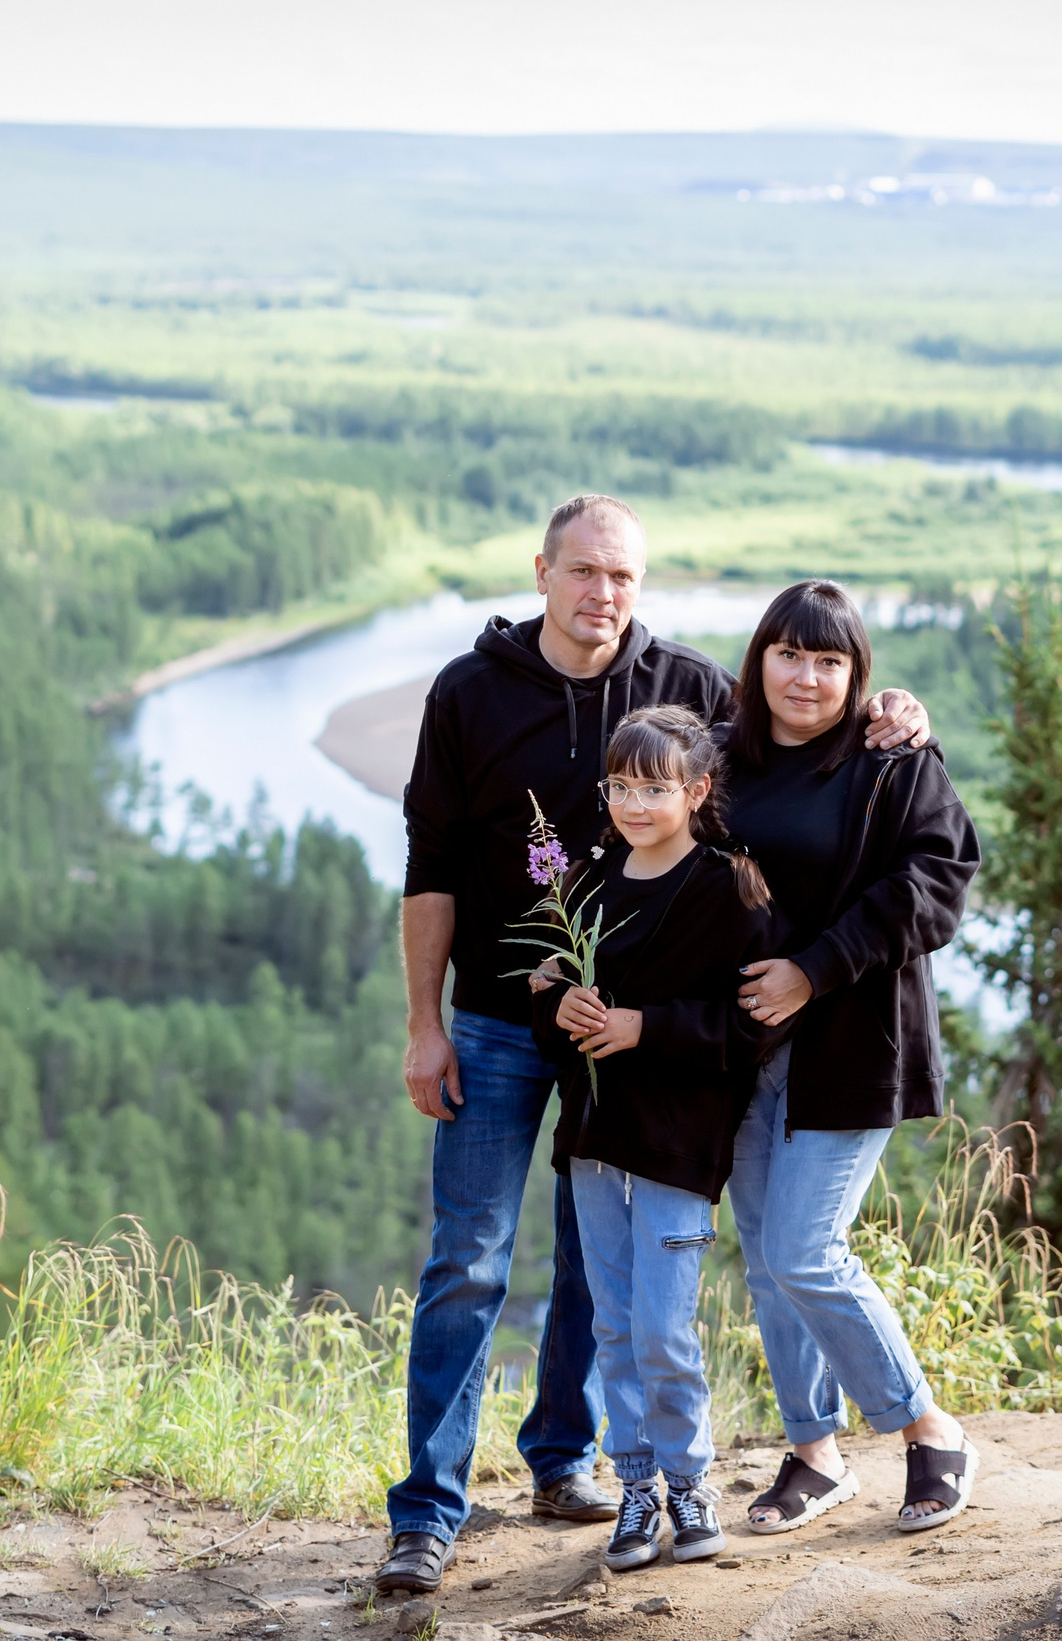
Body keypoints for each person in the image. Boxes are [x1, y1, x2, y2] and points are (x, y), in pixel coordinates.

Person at [379, 499, 931, 1595]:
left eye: (622, 575)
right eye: (583, 571)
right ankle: (429, 1513)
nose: (603, 593)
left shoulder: (690, 690)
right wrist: (425, 1023)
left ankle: (567, 1463)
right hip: (500, 1019)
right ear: (542, 571)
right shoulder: (469, 692)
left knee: (602, 1267)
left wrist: (895, 711)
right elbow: (430, 861)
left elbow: (798, 733)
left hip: (633, 1043)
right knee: (469, 1260)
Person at [720, 579, 985, 1538]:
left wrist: (814, 969)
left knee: (804, 1249)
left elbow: (939, 885)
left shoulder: (892, 762)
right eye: (789, 654)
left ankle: (928, 1427)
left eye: (829, 661)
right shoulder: (722, 758)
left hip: (853, 1042)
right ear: (759, 659)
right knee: (768, 1263)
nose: (806, 676)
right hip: (739, 1048)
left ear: (857, 675)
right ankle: (814, 1452)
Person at [526, 706, 784, 1572]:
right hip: (595, 1143)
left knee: (666, 1331)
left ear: (697, 790)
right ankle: (636, 1490)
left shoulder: (730, 887)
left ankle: (691, 1484)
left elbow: (750, 1026)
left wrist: (645, 1028)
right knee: (614, 1326)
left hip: (677, 1148)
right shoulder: (586, 882)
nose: (634, 804)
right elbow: (547, 1001)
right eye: (620, 786)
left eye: (655, 787)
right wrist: (558, 1007)